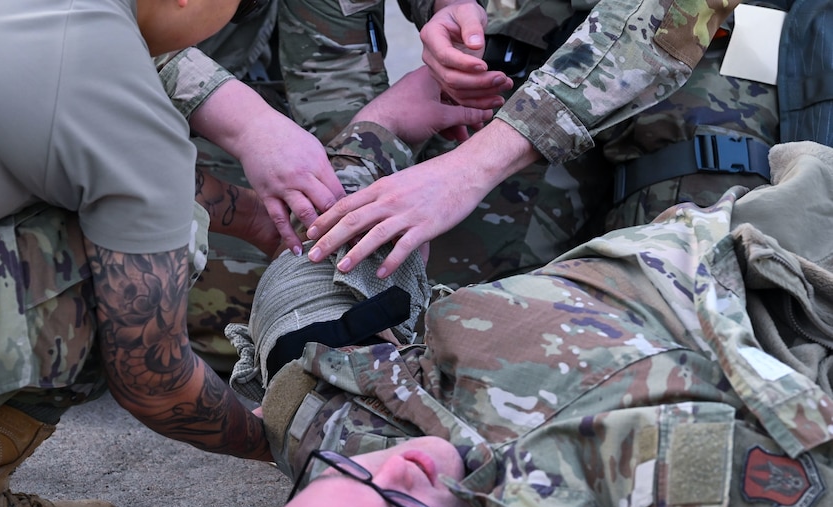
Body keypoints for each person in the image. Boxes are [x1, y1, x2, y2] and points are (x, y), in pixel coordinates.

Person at [228, 132, 833, 507]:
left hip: (669, 238)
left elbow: (301, 291)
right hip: (775, 277)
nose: (398, 464)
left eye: (344, 475)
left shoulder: (330, 430)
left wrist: (384, 130)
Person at [0, 0, 353, 507]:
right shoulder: (102, 74)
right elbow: (152, 379)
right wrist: (277, 438)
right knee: (130, 258)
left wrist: (256, 219)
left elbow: (84, 143)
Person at [303, 0, 786, 281]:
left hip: (709, 40)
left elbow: (663, 19)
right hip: (542, 28)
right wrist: (448, 5)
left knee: (690, 284)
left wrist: (469, 168)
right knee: (444, 304)